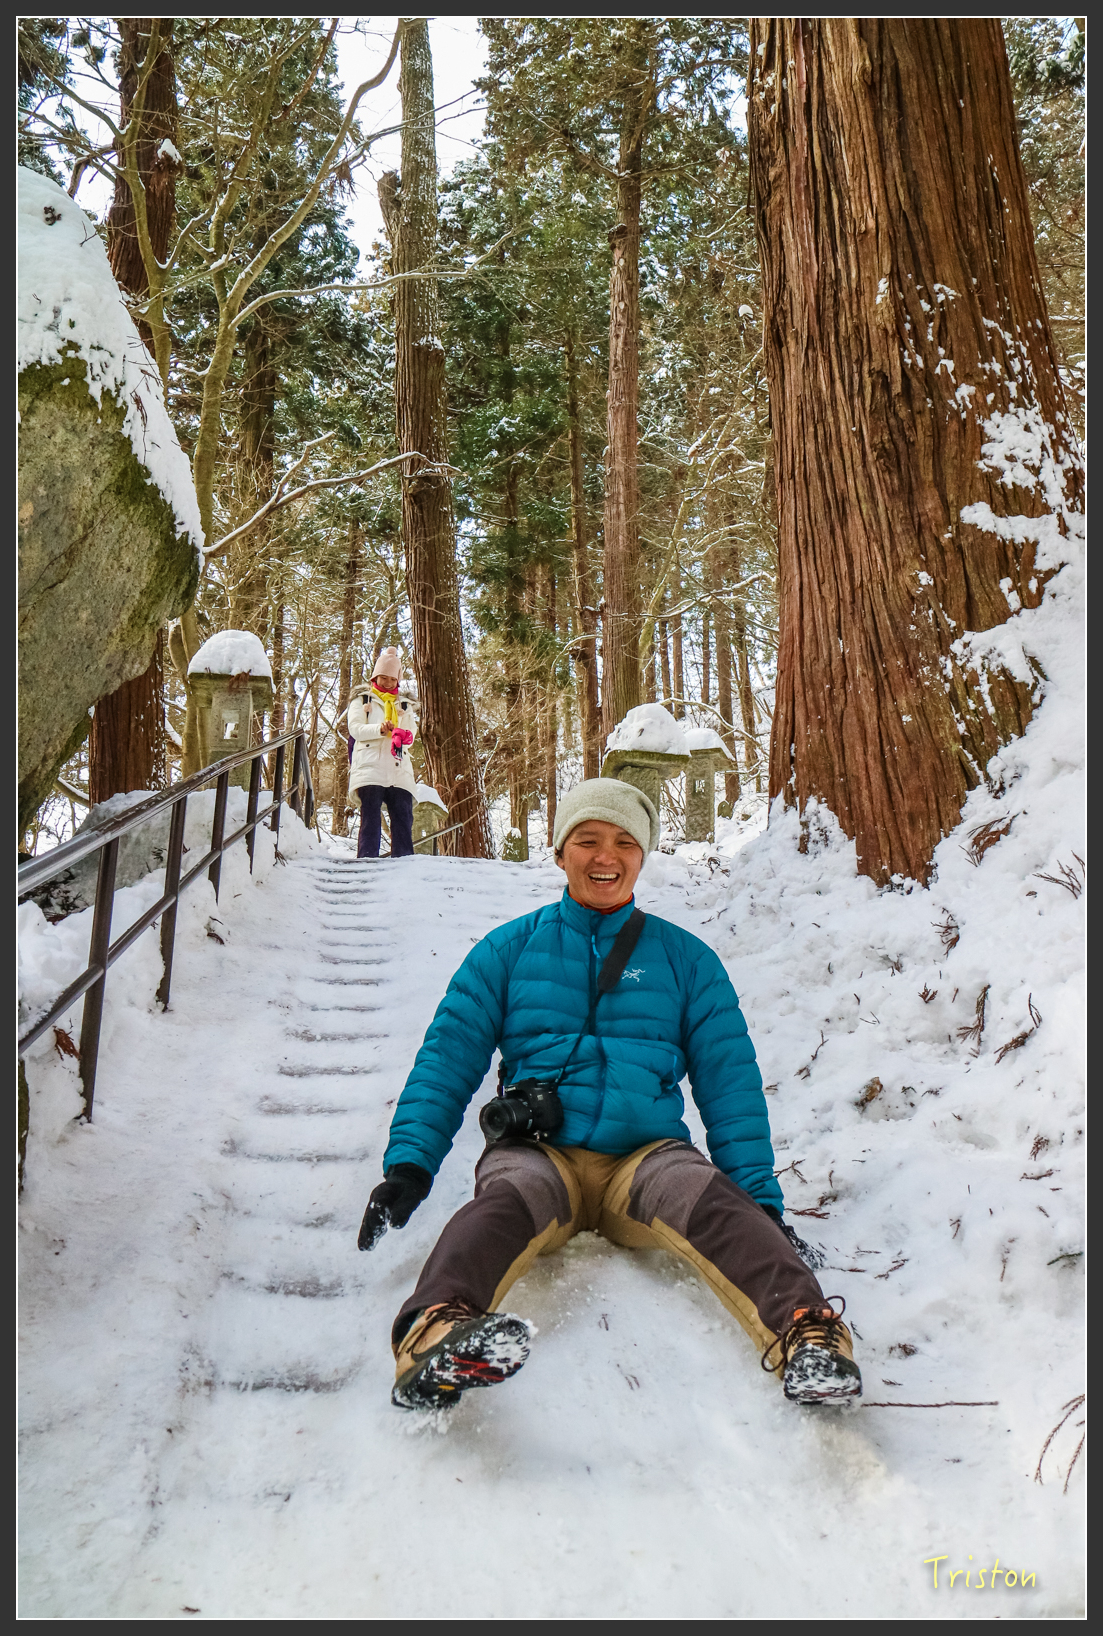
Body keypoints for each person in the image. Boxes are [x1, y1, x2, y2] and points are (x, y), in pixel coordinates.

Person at [358, 778, 862, 1411]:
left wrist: (760, 1200)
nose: (607, 856)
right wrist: (409, 1167)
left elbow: (729, 1082)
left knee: (716, 1205)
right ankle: (435, 1332)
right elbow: (447, 1057)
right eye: (588, 839)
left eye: (625, 842)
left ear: (642, 854)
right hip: (540, 1154)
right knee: (499, 1208)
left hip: (645, 1160)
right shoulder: (507, 952)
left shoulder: (686, 961)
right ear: (560, 851)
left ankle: (810, 1337)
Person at [346, 648, 418, 860]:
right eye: (383, 678)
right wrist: (380, 729)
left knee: (403, 817)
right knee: (370, 818)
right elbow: (356, 729)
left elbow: (411, 731)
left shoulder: (404, 704)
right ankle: (367, 860)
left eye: (392, 679)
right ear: (375, 677)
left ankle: (405, 863)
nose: (387, 683)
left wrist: (404, 735)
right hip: (370, 767)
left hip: (398, 767)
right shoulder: (362, 700)